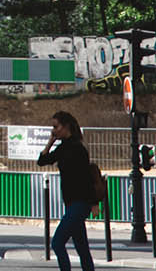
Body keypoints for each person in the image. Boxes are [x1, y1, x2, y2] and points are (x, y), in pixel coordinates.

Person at [37, 111, 95, 271]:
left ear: (66, 126)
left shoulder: (78, 148)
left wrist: (93, 203)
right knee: (82, 248)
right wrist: (50, 141)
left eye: (56, 127)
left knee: (57, 242)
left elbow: (87, 178)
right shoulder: (63, 148)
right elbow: (42, 161)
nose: (53, 130)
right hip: (71, 203)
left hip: (80, 203)